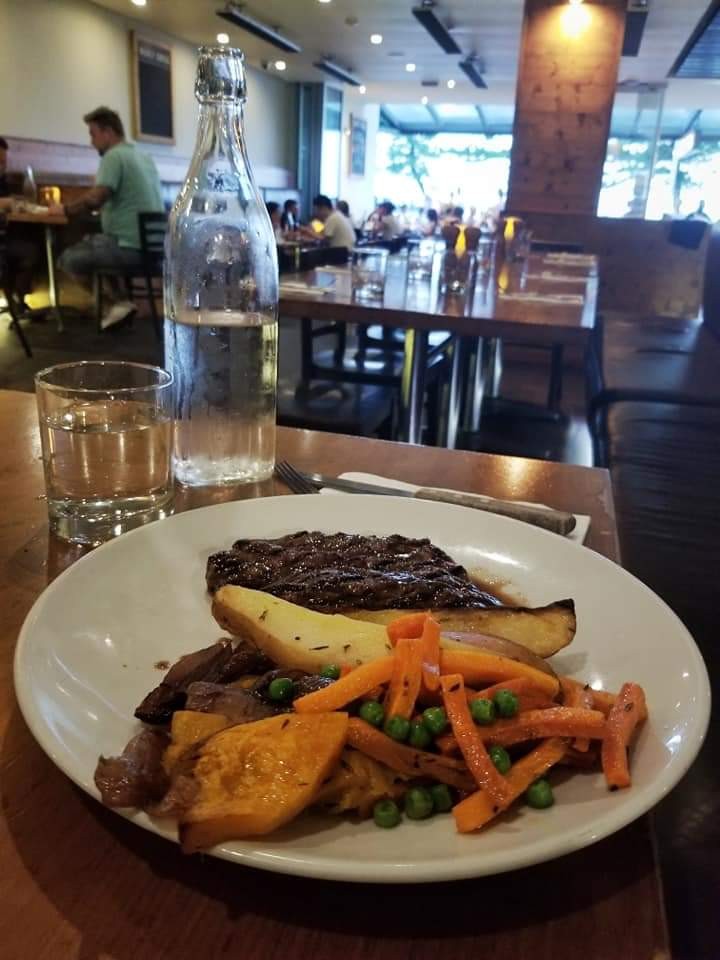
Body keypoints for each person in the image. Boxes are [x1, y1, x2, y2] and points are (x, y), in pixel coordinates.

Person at [49, 106, 164, 329]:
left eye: (93, 134)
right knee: (95, 245)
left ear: (108, 132)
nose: (91, 142)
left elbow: (95, 198)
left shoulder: (114, 156)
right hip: (153, 250)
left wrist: (62, 210)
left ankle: (115, 304)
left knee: (69, 258)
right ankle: (120, 305)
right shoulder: (143, 156)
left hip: (127, 250)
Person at [0, 136, 39, 310]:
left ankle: (17, 299)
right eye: (0, 162)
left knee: (31, 240)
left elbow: (7, 199)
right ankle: (17, 301)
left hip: (5, 236)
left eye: (4, 162)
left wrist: (18, 201)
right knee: (30, 251)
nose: (3, 166)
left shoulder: (2, 178)